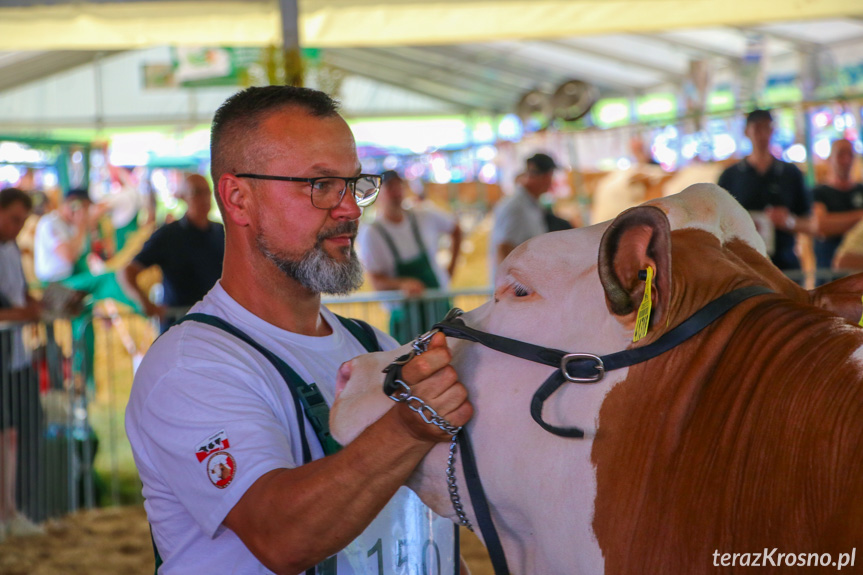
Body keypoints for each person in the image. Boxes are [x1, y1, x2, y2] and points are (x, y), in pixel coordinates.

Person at [125, 86, 472, 574]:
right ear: (238, 199)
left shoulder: (377, 349)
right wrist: (410, 424)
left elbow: (425, 540)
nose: (350, 209)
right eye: (321, 185)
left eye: (354, 184)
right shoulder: (191, 366)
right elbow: (282, 536)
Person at [33, 187, 142, 390]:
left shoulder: (72, 227)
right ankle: (140, 306)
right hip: (56, 287)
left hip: (74, 286)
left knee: (86, 327)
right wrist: (82, 225)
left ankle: (85, 381)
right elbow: (68, 256)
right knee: (108, 279)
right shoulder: (50, 223)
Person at [358, 170, 461, 343]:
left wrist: (450, 269)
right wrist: (402, 284)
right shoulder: (372, 233)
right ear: (378, 192)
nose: (396, 192)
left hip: (438, 305)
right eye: (390, 187)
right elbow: (376, 280)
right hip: (405, 317)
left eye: (399, 186)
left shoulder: (423, 215)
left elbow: (455, 229)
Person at [123, 173, 225, 332]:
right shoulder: (169, 236)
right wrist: (146, 304)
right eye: (197, 192)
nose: (204, 198)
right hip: (179, 326)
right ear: (184, 197)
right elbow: (128, 271)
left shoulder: (221, 233)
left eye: (207, 192)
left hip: (216, 324)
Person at [0, 187, 44, 541]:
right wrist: (24, 312)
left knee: (12, 435)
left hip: (13, 357)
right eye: (14, 219)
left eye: (22, 221)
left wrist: (33, 302)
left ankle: (10, 510)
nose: (17, 226)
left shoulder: (11, 247)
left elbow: (18, 292)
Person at [718, 109, 812, 271]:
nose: (762, 135)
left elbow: (811, 224)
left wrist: (788, 221)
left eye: (766, 128)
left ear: (772, 131)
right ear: (747, 132)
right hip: (743, 267)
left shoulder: (790, 174)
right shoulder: (730, 176)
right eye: (757, 129)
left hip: (784, 265)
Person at [490, 153, 569, 278]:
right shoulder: (516, 207)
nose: (550, 181)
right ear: (544, 177)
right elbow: (504, 248)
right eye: (550, 176)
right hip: (517, 289)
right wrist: (514, 287)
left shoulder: (532, 205)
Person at [811, 139, 863, 279]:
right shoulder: (819, 192)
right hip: (828, 276)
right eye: (841, 154)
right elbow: (821, 226)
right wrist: (859, 218)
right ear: (830, 158)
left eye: (850, 155)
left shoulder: (860, 190)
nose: (846, 160)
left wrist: (838, 222)